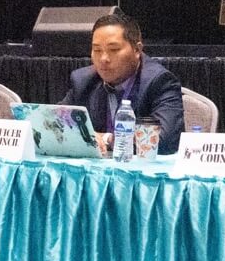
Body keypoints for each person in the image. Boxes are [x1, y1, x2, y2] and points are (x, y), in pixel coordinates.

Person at [60, 12, 184, 155]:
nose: (103, 59)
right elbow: (53, 125)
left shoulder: (160, 82)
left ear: (137, 50)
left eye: (113, 50)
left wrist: (105, 139)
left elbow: (161, 140)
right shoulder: (83, 81)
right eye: (97, 50)